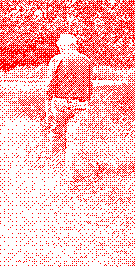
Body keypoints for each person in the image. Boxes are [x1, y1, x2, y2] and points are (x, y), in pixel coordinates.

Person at [43, 33, 93, 173]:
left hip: (61, 103)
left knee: (57, 135)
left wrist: (48, 108)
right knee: (75, 138)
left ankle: (56, 168)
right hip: (80, 104)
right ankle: (72, 171)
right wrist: (85, 102)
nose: (59, 48)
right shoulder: (86, 60)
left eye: (60, 46)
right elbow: (89, 86)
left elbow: (50, 85)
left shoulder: (57, 60)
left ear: (64, 46)